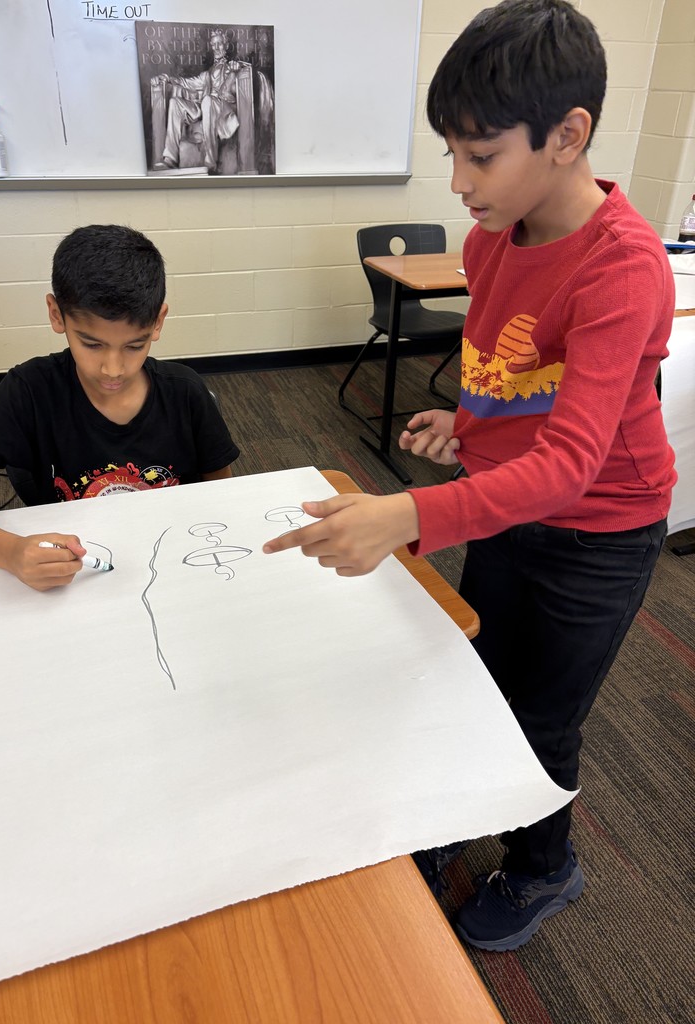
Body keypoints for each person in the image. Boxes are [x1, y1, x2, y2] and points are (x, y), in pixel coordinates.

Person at [263, 0, 676, 952]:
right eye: (451, 152)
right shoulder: (493, 240)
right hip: (511, 512)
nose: (457, 182)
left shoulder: (622, 267)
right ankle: (461, 811)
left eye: (480, 156)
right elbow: (517, 378)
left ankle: (544, 866)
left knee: (543, 717)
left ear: (568, 135)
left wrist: (407, 513)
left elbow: (573, 462)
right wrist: (469, 423)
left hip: (601, 534)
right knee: (476, 677)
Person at [0, 224, 239, 592]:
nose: (113, 369)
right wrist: (10, 552)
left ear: (158, 321)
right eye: (92, 344)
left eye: (134, 346)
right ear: (56, 314)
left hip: (177, 565)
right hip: (77, 577)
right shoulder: (29, 392)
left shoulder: (185, 393)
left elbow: (223, 498)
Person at [152, 29, 274, 175]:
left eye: (219, 44)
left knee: (208, 101)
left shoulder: (233, 67)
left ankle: (210, 161)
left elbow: (248, 76)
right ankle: (170, 158)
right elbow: (187, 83)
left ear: (226, 46)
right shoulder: (207, 75)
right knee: (175, 103)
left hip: (224, 111)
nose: (216, 48)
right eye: (214, 44)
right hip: (206, 108)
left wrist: (235, 70)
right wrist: (168, 79)